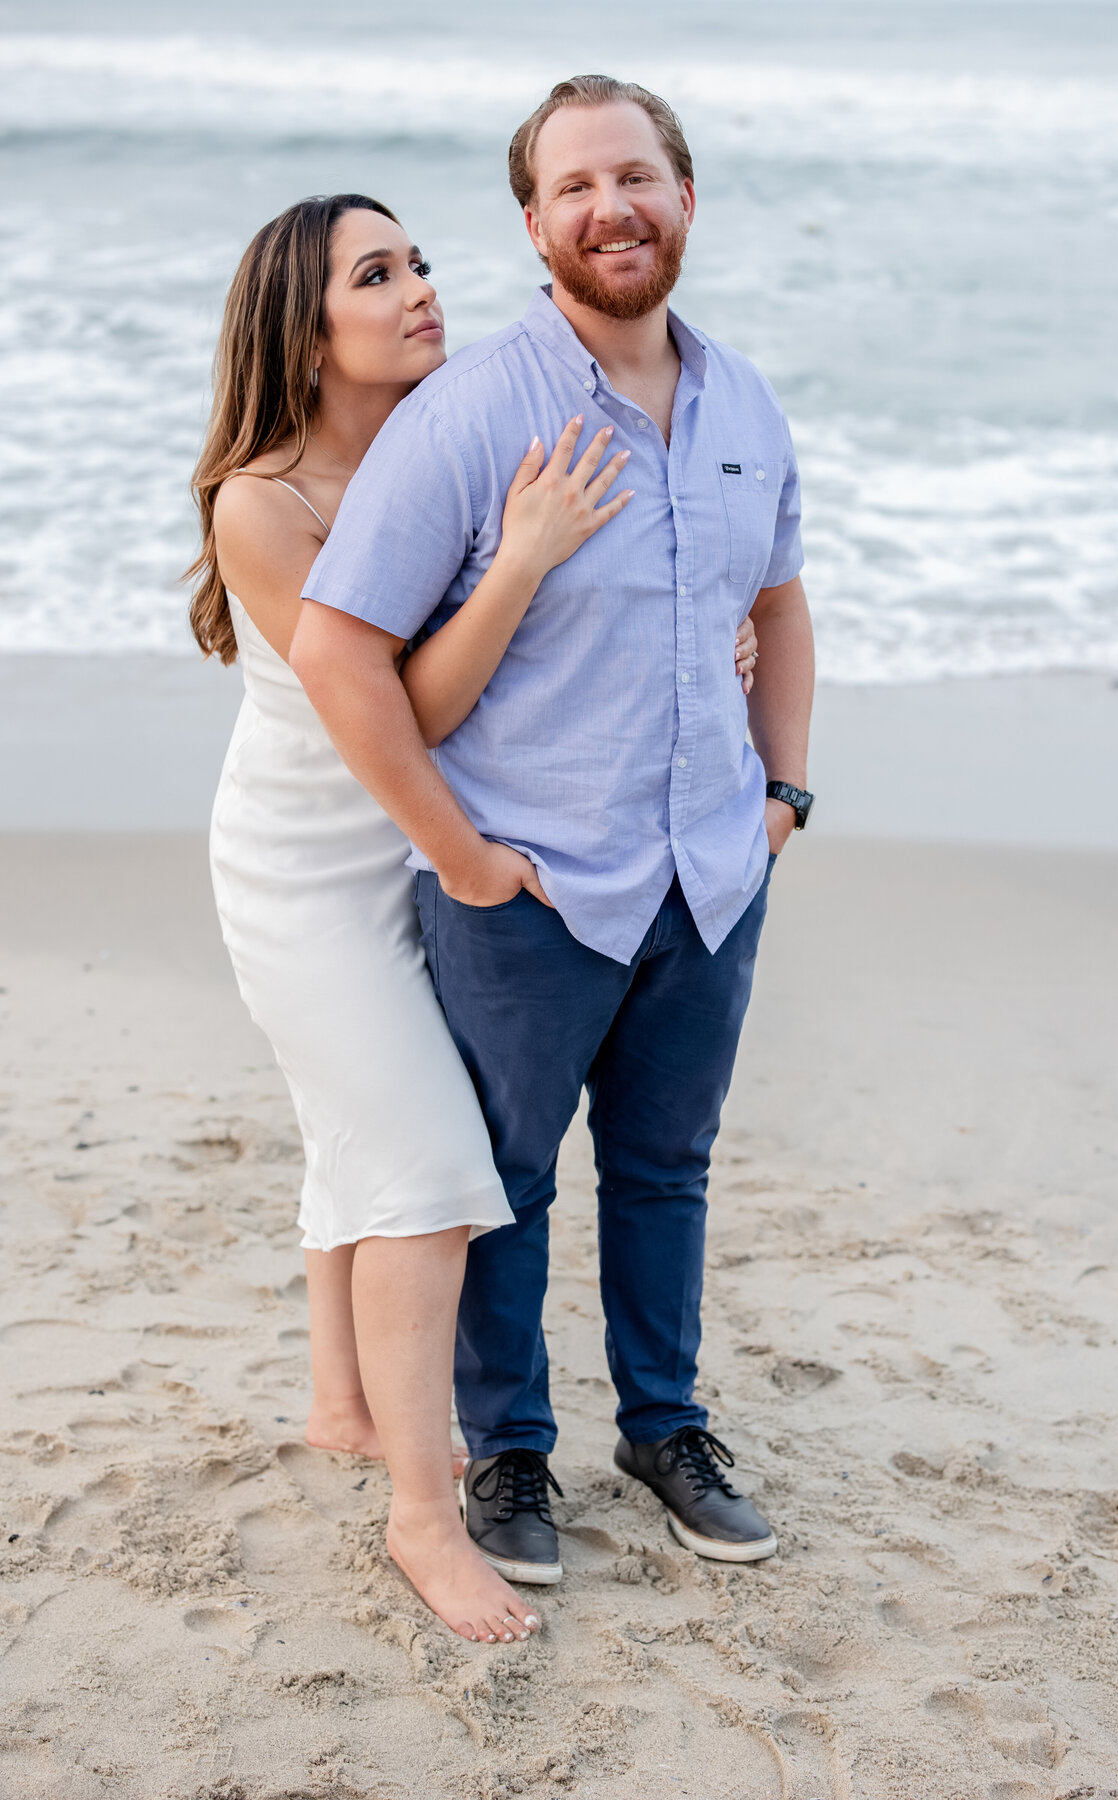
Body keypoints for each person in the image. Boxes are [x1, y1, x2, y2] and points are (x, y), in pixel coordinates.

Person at [189, 193, 760, 1642]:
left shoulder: (435, 432)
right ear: (300, 330)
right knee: (435, 1164)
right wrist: (522, 559)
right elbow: (397, 700)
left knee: (354, 1129)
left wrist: (693, 621)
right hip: (319, 864)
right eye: (374, 277)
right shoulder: (260, 500)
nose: (420, 291)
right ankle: (424, 1521)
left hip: (410, 841)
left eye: (421, 262)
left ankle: (342, 1404)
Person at [294, 75, 814, 1587]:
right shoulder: (469, 414)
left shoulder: (746, 402)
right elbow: (342, 645)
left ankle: (664, 1427)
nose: (612, 207)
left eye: (636, 177)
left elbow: (777, 603)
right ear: (534, 224)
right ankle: (511, 1453)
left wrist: (782, 793)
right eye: (576, 187)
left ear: (686, 196)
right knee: (501, 1181)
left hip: (710, 871)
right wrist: (460, 856)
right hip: (527, 884)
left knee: (668, 1168)